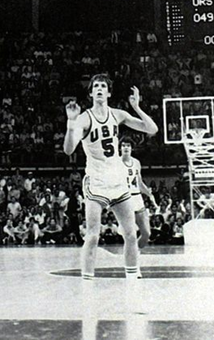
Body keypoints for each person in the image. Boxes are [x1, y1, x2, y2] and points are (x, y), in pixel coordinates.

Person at [63, 74, 158, 289]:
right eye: (95, 86)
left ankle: (133, 281)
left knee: (131, 233)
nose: (99, 89)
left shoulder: (118, 114)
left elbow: (152, 130)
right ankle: (87, 283)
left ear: (108, 93)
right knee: (93, 235)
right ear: (91, 93)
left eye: (102, 86)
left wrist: (137, 107)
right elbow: (69, 149)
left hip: (117, 181)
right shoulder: (85, 118)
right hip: (96, 182)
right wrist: (70, 124)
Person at [120, 136, 157, 279]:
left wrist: (148, 193)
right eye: (123, 145)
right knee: (130, 236)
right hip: (124, 199)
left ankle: (135, 252)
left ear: (131, 148)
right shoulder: (116, 163)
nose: (126, 147)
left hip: (137, 198)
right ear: (120, 147)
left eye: (128, 145)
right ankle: (133, 267)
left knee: (146, 233)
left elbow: (139, 182)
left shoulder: (136, 163)